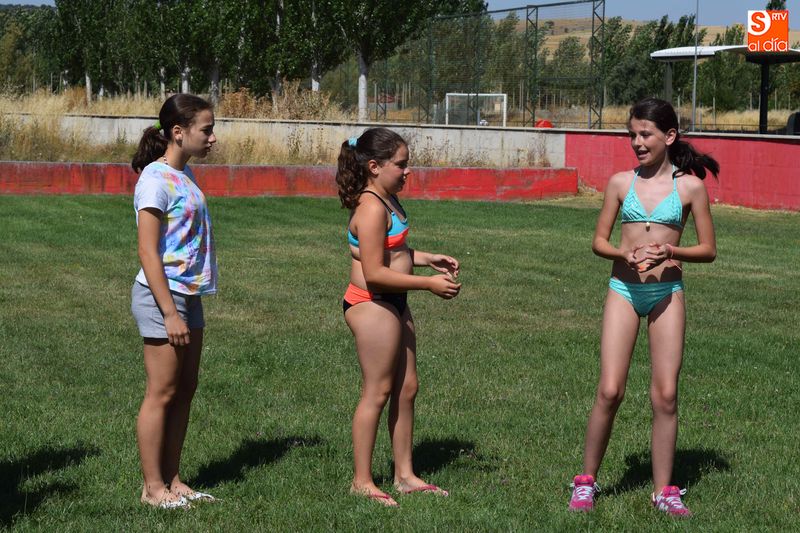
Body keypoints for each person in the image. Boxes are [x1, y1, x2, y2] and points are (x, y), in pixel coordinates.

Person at [568, 97, 718, 517]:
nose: (637, 142)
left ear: (669, 136)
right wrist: (623, 253)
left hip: (667, 294)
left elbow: (708, 250)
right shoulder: (620, 183)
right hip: (624, 290)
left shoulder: (690, 188)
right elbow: (598, 241)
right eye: (632, 134)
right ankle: (585, 482)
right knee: (610, 390)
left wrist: (671, 250)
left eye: (645, 134)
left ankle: (664, 491)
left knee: (666, 394)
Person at [336, 128, 462, 507]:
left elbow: (395, 249)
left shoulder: (387, 198)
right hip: (372, 302)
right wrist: (428, 284)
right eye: (401, 165)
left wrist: (427, 258)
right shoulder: (371, 207)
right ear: (375, 166)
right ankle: (361, 481)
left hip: (395, 301)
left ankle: (405, 476)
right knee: (377, 391)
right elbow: (375, 272)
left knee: (407, 388)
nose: (408, 171)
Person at [130, 93, 218, 509]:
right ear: (178, 132)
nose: (213, 138)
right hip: (161, 297)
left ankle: (173, 479)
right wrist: (169, 313)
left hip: (189, 294)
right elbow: (148, 252)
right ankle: (152, 488)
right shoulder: (154, 179)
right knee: (162, 391)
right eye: (207, 129)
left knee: (185, 388)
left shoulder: (185, 174)